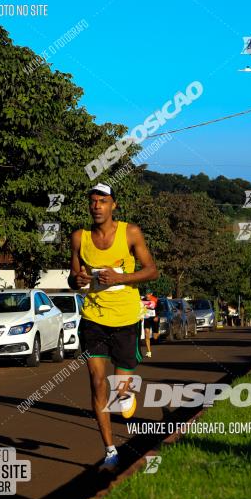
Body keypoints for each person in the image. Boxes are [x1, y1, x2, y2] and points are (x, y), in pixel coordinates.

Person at [69, 183, 158, 471]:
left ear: (113, 205)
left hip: (126, 319)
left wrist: (120, 279)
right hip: (93, 318)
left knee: (121, 391)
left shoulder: (130, 233)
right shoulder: (79, 238)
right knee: (96, 383)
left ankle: (126, 393)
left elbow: (151, 271)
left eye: (103, 201)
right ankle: (110, 452)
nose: (97, 206)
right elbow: (73, 276)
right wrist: (78, 281)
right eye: (93, 201)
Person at [141, 292, 159, 357]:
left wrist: (157, 316)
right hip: (147, 318)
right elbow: (140, 308)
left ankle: (158, 333)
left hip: (154, 319)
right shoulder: (142, 300)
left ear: (151, 294)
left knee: (155, 337)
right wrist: (141, 316)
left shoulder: (156, 300)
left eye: (148, 294)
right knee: (147, 334)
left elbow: (160, 309)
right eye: (146, 294)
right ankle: (149, 352)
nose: (147, 295)